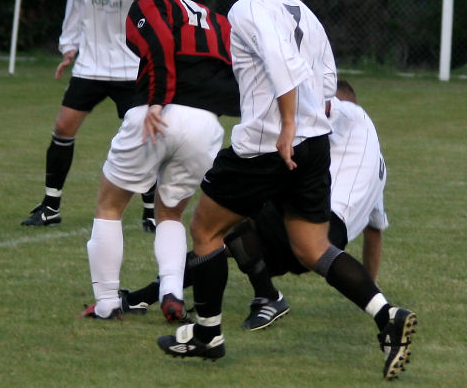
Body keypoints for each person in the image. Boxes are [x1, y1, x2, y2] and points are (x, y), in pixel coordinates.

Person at [156, 0, 416, 382]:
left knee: (204, 228)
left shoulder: (248, 7)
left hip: (269, 142)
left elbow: (281, 64)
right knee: (312, 247)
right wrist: (307, 121)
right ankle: (387, 316)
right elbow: (329, 74)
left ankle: (207, 336)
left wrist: (289, 125)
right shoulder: (305, 12)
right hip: (316, 144)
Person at [114, 80, 390, 332]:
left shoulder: (347, 111)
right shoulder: (377, 165)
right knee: (230, 238)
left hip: (313, 222)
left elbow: (324, 104)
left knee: (225, 218)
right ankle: (152, 295)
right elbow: (374, 234)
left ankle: (266, 298)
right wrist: (367, 290)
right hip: (329, 239)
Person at [80, 0, 239, 320]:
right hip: (205, 124)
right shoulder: (214, 18)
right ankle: (171, 293)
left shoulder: (146, 4)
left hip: (158, 114)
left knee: (109, 205)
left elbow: (160, 41)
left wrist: (156, 102)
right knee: (170, 212)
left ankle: (106, 304)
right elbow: (239, 68)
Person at [21, 0, 157, 230]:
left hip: (129, 68)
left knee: (146, 137)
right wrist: (69, 48)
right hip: (90, 65)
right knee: (63, 128)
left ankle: (151, 213)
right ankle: (51, 207)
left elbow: (153, 15)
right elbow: (76, 7)